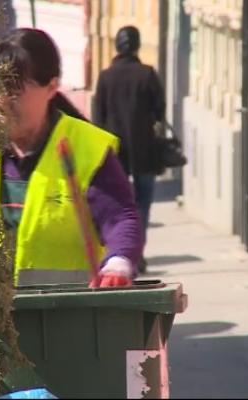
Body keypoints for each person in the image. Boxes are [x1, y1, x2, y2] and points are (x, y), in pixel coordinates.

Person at [0, 28, 142, 288]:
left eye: (13, 90)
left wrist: (118, 263)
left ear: (51, 87)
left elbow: (119, 217)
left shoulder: (86, 147)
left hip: (64, 314)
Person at [92, 26, 166, 273]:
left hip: (113, 154)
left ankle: (121, 254)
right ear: (136, 46)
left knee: (118, 204)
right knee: (141, 205)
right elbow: (160, 111)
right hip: (144, 150)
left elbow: (97, 117)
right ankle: (138, 253)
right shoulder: (147, 74)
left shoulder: (105, 77)